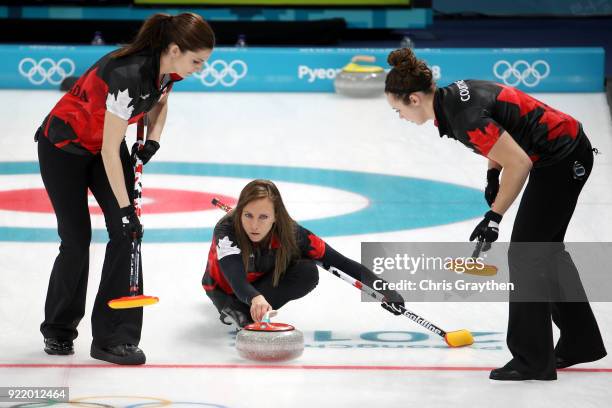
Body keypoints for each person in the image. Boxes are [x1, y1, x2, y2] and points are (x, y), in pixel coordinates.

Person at [384, 48, 606, 381]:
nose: (399, 116)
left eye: (397, 109)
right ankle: (581, 340)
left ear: (414, 99)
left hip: (561, 158)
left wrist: (493, 217)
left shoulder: (463, 118)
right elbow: (505, 134)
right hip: (561, 149)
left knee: (526, 255)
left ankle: (532, 360)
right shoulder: (453, 98)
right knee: (545, 251)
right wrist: (492, 175)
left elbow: (519, 164)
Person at [37, 13, 215, 365]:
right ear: (175, 49)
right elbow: (107, 151)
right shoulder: (126, 77)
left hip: (104, 144)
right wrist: (124, 209)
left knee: (126, 234)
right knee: (77, 241)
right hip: (64, 149)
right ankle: (58, 330)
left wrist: (153, 140)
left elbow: (161, 102)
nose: (200, 68)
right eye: (197, 61)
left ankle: (114, 338)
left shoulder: (169, 69)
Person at [202, 179, 405, 328]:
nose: (254, 225)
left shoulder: (293, 234)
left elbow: (341, 262)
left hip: (259, 285)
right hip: (226, 290)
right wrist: (255, 298)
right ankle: (235, 309)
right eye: (248, 215)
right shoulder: (226, 231)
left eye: (263, 216)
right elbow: (235, 278)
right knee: (239, 296)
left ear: (276, 217)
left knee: (307, 271)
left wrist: (384, 290)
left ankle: (244, 312)